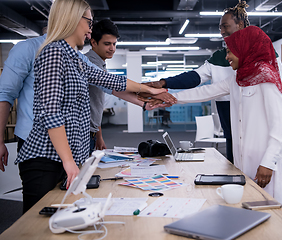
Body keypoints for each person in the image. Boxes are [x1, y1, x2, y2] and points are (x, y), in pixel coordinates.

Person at [11, 0, 171, 213]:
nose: (90, 30)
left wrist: (149, 90)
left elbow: (110, 80)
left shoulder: (74, 58)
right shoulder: (52, 53)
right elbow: (50, 113)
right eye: (88, 22)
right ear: (72, 19)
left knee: (60, 219)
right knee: (35, 225)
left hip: (65, 156)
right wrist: (69, 162)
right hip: (45, 158)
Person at [143, 0, 282, 163]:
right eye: (220, 27)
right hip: (231, 118)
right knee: (235, 163)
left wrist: (279, 130)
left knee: (259, 164)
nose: (221, 31)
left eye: (225, 26)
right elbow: (199, 84)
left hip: (259, 124)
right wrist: (165, 85)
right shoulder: (224, 63)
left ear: (240, 25)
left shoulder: (265, 61)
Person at [160, 26, 282, 207]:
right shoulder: (237, 78)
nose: (227, 57)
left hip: (264, 161)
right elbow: (205, 92)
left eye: (230, 52)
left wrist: (269, 163)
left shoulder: (266, 78)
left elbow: (280, 126)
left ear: (244, 49)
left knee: (269, 209)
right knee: (247, 206)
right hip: (243, 158)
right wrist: (171, 98)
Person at [85, 19, 119, 153]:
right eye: (107, 44)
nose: (112, 48)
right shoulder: (88, 64)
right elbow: (115, 87)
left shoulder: (100, 64)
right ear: (93, 42)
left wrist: (98, 136)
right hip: (84, 133)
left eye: (114, 44)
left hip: (92, 132)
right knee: (81, 172)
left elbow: (94, 104)